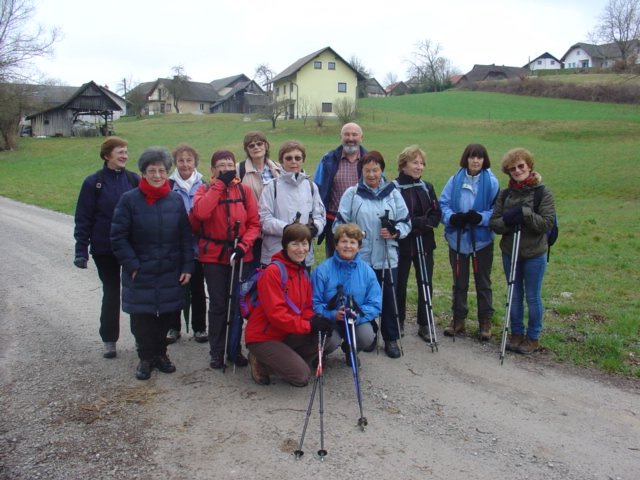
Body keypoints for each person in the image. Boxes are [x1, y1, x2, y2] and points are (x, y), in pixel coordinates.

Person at [110, 147, 194, 380]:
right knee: (142, 318)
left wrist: (187, 267)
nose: (157, 175)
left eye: (161, 171)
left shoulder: (175, 200)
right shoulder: (129, 200)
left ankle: (161, 354)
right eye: (152, 171)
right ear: (143, 173)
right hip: (140, 270)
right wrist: (132, 265)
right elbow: (118, 237)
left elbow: (185, 237)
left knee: (166, 315)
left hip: (169, 270)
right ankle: (146, 357)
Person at [333, 151, 411, 359]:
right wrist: (354, 235)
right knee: (362, 298)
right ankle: (369, 334)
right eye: (367, 170)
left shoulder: (393, 192)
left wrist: (395, 232)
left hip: (387, 256)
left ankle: (391, 338)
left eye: (375, 170)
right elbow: (338, 224)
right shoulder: (352, 194)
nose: (371, 174)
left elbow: (406, 222)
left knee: (389, 299)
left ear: (381, 170)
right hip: (362, 258)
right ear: (361, 172)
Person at [190, 150, 261, 370]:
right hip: (214, 256)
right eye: (221, 165)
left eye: (230, 165)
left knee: (236, 305)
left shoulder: (244, 191)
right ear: (213, 169)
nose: (226, 169)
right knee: (218, 304)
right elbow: (201, 213)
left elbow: (254, 224)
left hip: (240, 254)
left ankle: (234, 349)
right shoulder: (204, 190)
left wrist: (243, 246)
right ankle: (217, 351)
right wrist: (219, 185)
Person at [73, 136, 139, 359]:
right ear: (107, 155)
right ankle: (109, 339)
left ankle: (141, 337)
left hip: (131, 248)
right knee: (111, 292)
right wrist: (81, 250)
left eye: (126, 152)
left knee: (136, 293)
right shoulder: (94, 183)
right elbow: (83, 218)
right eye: (120, 152)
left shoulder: (133, 180)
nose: (124, 156)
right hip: (104, 248)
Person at [245, 223, 335, 387]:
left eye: (304, 244)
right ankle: (261, 362)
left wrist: (317, 320)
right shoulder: (273, 272)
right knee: (301, 377)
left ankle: (286, 361)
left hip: (286, 332)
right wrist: (309, 326)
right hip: (264, 337)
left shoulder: (303, 273)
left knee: (325, 338)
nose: (301, 249)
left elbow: (306, 308)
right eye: (295, 244)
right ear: (285, 245)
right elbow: (276, 315)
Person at [489, 148, 555, 354]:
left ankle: (533, 338)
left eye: (521, 166)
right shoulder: (505, 194)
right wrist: (509, 220)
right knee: (514, 294)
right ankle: (516, 334)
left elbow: (546, 223)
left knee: (532, 297)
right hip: (510, 252)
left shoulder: (542, 193)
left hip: (534, 254)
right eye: (512, 169)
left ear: (529, 166)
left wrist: (525, 213)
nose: (517, 171)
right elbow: (495, 223)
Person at [440, 144, 499, 340]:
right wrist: (451, 217)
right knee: (459, 281)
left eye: (479, 157)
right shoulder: (454, 180)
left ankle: (485, 321)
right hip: (457, 239)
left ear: (484, 160)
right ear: (466, 159)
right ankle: (458, 319)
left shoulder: (492, 182)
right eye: (472, 157)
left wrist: (480, 218)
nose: (475, 161)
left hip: (481, 240)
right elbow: (443, 204)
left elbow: (496, 210)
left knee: (483, 282)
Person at [312, 224, 381, 366]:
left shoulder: (367, 272)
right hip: (330, 320)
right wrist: (332, 314)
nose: (348, 246)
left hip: (355, 320)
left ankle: (351, 350)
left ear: (359, 247)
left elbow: (375, 303)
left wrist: (358, 315)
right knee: (331, 341)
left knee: (367, 336)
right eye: (343, 241)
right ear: (336, 245)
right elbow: (313, 302)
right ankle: (321, 352)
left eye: (352, 242)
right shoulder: (322, 270)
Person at [393, 145, 441, 341]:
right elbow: (392, 216)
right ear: (404, 165)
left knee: (425, 282)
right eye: (415, 162)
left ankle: (425, 323)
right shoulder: (394, 188)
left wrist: (425, 223)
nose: (419, 167)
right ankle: (398, 321)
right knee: (400, 284)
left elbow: (436, 213)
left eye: (422, 163)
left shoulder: (427, 187)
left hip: (425, 242)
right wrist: (412, 224)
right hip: (402, 244)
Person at [259, 140, 325, 267]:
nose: (293, 161)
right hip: (276, 253)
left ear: (303, 160)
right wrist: (288, 229)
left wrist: (314, 228)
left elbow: (320, 216)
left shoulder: (311, 187)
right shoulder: (271, 187)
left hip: (303, 254)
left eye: (297, 158)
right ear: (282, 161)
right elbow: (264, 219)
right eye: (289, 158)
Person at [166, 143, 208, 344]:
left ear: (195, 162)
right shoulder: (168, 185)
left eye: (188, 160)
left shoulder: (204, 185)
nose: (185, 164)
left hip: (197, 247)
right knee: (175, 289)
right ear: (175, 163)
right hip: (175, 247)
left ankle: (200, 328)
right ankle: (173, 327)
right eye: (181, 160)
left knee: (198, 289)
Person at [313, 122, 366, 258]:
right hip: (335, 222)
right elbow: (317, 190)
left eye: (354, 135)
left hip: (362, 221)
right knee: (335, 260)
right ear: (341, 137)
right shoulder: (327, 160)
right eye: (346, 134)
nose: (350, 138)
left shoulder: (370, 160)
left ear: (361, 138)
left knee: (361, 261)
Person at [237, 131, 282, 269]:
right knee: (254, 271)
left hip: (275, 229)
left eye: (259, 143)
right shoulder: (239, 169)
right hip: (252, 231)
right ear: (247, 150)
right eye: (251, 145)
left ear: (266, 145)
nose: (256, 147)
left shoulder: (279, 168)